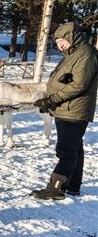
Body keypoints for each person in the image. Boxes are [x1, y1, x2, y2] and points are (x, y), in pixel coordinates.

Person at [31, 22, 98, 199]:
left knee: (66, 151)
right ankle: (73, 185)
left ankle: (56, 188)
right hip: (66, 108)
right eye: (58, 41)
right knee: (75, 148)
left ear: (71, 37)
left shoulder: (86, 54)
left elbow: (79, 85)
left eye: (62, 40)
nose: (59, 44)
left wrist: (51, 99)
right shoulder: (73, 54)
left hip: (74, 110)